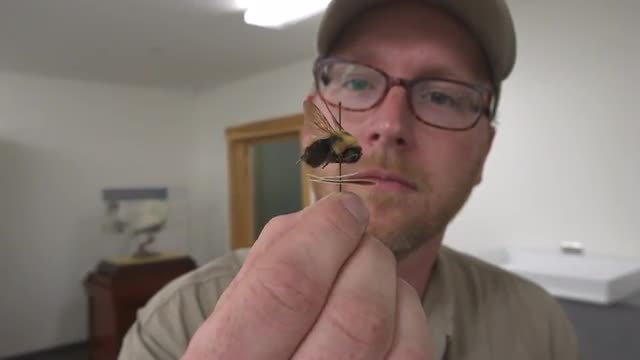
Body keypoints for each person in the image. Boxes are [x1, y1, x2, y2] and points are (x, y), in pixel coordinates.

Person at [119, 0, 580, 359]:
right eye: (358, 82)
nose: (390, 124)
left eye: (441, 94)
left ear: (484, 154)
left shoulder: (540, 326)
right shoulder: (174, 326)